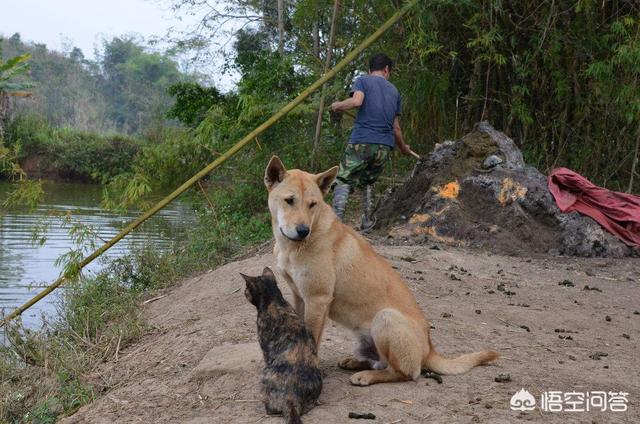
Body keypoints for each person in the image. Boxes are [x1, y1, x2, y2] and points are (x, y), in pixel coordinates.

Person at [330, 53, 412, 231]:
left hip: (363, 141)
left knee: (343, 178)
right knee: (368, 181)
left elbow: (357, 101)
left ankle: (335, 224)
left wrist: (337, 105)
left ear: (370, 70)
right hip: (384, 147)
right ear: (386, 69)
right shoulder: (395, 91)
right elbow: (396, 127)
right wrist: (403, 147)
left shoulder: (363, 81)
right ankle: (367, 221)